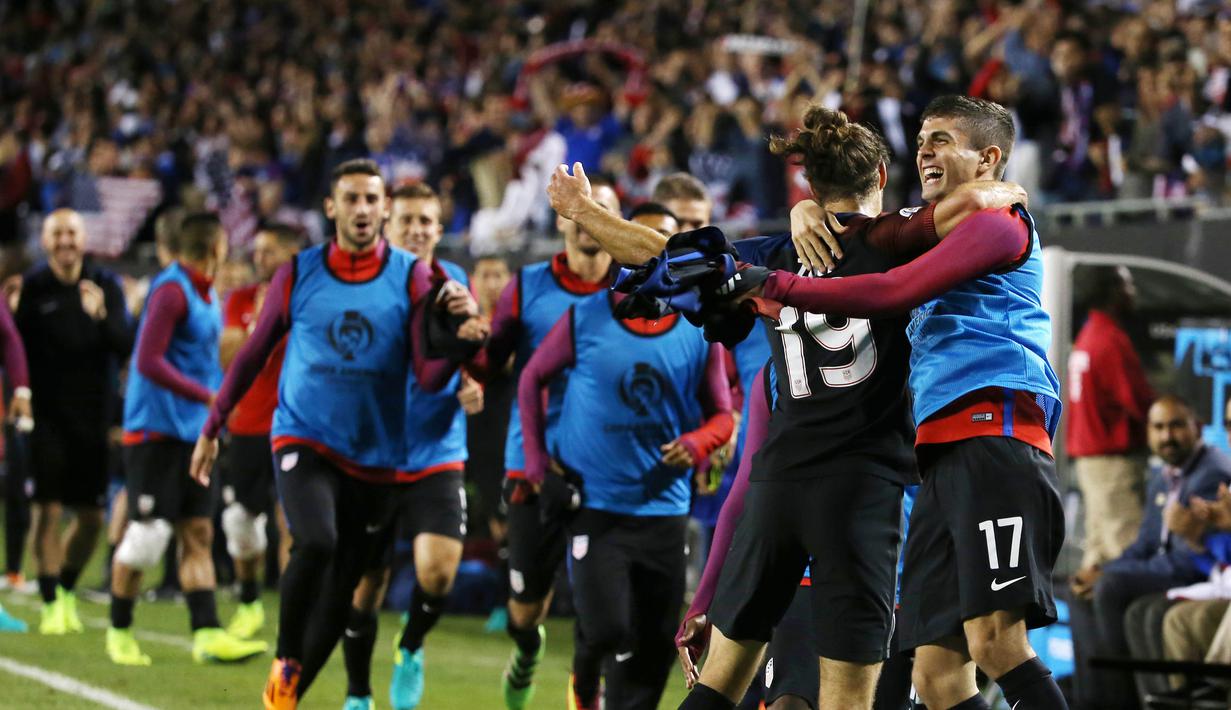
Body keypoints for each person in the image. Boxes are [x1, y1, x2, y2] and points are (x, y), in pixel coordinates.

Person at [547, 103, 1032, 710]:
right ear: (882, 176)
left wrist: (585, 212)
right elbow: (959, 215)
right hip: (863, 490)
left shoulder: (771, 256)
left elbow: (661, 250)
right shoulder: (900, 242)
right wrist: (1003, 186)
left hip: (778, 482)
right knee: (848, 698)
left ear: (810, 185)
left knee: (721, 683)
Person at [703, 95, 1070, 710]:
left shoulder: (999, 224)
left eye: (943, 139)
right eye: (922, 138)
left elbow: (892, 290)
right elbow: (861, 234)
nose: (924, 149)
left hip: (995, 433)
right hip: (940, 453)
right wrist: (806, 211)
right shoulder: (929, 227)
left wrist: (772, 284)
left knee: (997, 644)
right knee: (936, 677)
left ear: (989, 158)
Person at [191, 159, 483, 710]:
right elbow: (253, 353)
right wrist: (214, 424)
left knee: (349, 586)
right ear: (331, 207)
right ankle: (286, 657)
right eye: (351, 199)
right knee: (317, 541)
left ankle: (288, 695)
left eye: (372, 200)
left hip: (375, 456)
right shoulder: (299, 272)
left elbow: (424, 373)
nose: (363, 210)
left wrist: (464, 345)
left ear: (383, 209)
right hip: (303, 436)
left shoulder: (414, 277)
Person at [519, 286, 733, 709]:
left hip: (664, 509)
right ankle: (583, 683)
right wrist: (537, 467)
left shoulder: (696, 327)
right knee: (607, 629)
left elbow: (722, 415)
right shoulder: (586, 317)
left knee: (654, 649)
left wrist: (698, 443)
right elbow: (531, 377)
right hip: (595, 507)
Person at [339, 183, 482, 710]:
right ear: (386, 227)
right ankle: (358, 693)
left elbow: (469, 350)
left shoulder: (456, 282)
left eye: (428, 220)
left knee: (438, 571)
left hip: (436, 449)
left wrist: (472, 380)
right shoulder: (365, 285)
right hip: (370, 455)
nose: (418, 229)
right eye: (407, 221)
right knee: (366, 584)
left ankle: (411, 644)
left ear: (440, 230)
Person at [107, 212, 267, 667]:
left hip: (193, 430)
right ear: (216, 247)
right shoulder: (172, 290)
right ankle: (119, 631)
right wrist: (209, 394)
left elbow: (198, 359)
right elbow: (148, 361)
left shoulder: (207, 293)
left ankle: (207, 632)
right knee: (147, 537)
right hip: (155, 429)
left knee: (198, 530)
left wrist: (217, 404)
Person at [486, 177, 620, 710]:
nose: (588, 216)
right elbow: (491, 364)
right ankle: (527, 649)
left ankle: (585, 687)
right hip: (533, 463)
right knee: (526, 606)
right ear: (564, 218)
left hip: (605, 465)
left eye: (601, 209)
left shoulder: (635, 287)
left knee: (600, 600)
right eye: (581, 208)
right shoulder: (527, 287)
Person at [1068, 395, 1231, 710]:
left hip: (1192, 573)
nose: (1167, 436)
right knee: (1084, 588)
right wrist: (1106, 568)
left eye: (1176, 426)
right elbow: (1145, 544)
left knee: (1123, 595)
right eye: (1158, 427)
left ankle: (1128, 701)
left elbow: (1193, 556)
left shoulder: (1212, 472)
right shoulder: (1163, 477)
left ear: (1197, 428)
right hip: (1195, 570)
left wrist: (1201, 535)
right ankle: (1101, 699)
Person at [15, 208, 133, 635]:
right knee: (46, 511)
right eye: (57, 234)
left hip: (92, 417)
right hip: (45, 416)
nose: (65, 241)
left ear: (84, 240)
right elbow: (13, 349)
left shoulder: (105, 284)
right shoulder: (32, 287)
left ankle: (64, 588)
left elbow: (126, 347)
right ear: (45, 242)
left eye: (72, 233)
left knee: (91, 519)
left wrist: (102, 317)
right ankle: (49, 604)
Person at [215, 222, 303, 641]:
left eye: (270, 251)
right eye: (258, 251)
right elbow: (228, 357)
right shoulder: (241, 299)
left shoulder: (307, 297)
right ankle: (248, 600)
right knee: (242, 520)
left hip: (297, 425)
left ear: (290, 254)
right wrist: (261, 324)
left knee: (294, 522)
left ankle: (293, 610)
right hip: (249, 425)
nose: (260, 259)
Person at [1067, 265, 1155, 568]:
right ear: (1111, 291)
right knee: (1125, 553)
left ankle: (1090, 617)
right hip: (1114, 465)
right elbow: (1141, 403)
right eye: (1126, 285)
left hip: (1092, 462)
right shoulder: (1110, 339)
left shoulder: (1090, 333)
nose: (1132, 292)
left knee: (1097, 557)